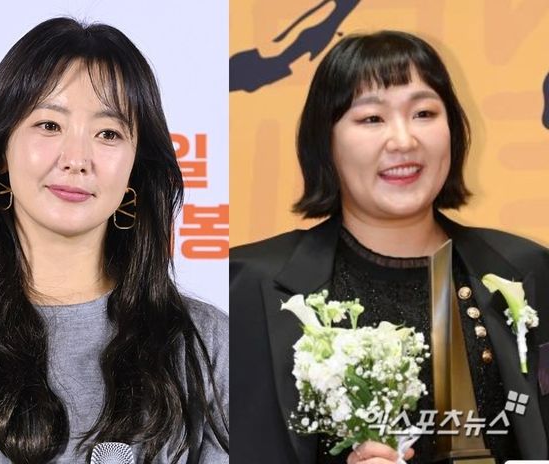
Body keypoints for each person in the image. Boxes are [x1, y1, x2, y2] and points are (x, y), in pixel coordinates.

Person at [0, 17, 228, 464]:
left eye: (108, 134)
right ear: (2, 153)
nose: (77, 159)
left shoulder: (208, 345)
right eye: (49, 125)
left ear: (136, 167)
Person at [231, 30, 548, 464]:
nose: (403, 140)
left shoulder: (526, 270)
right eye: (371, 119)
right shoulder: (247, 287)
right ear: (326, 141)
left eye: (423, 113)